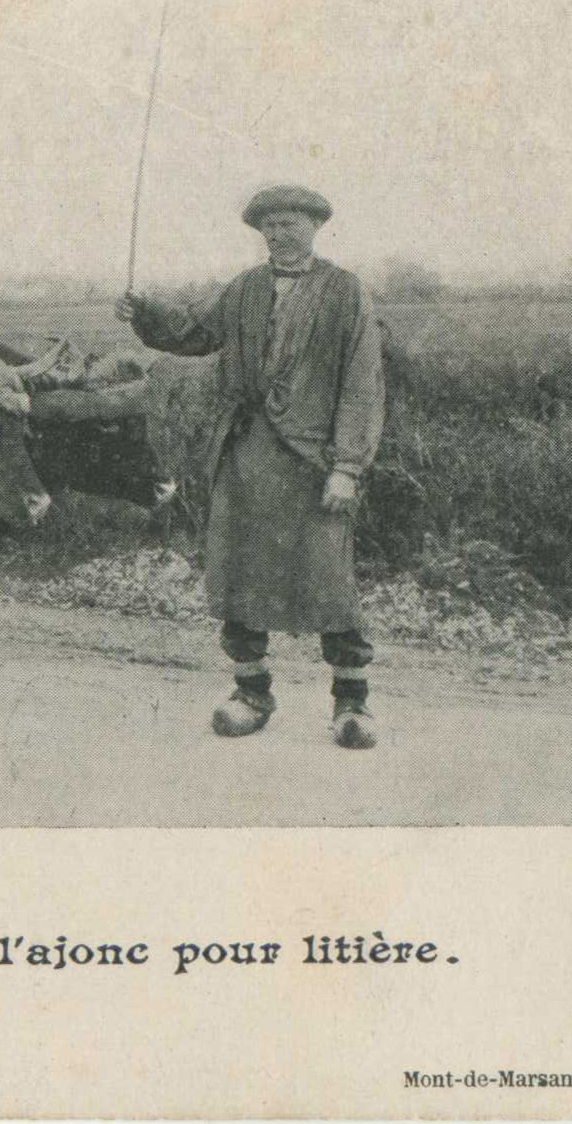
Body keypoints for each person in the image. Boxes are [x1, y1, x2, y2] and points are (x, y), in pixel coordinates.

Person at [115, 184, 385, 749]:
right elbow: (191, 334)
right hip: (245, 453)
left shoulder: (344, 292)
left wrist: (348, 467)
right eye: (269, 226)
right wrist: (144, 315)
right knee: (239, 569)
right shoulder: (244, 289)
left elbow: (362, 387)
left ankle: (352, 703)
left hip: (316, 461)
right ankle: (251, 692)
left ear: (314, 227)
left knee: (329, 576)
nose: (277, 234)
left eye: (289, 224)